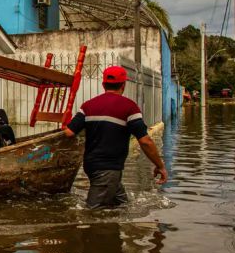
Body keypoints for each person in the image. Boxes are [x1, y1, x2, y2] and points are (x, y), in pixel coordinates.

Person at [63, 65, 168, 209]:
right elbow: (145, 141)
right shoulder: (129, 107)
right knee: (94, 213)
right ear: (124, 85)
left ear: (103, 85)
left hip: (91, 166)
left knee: (123, 206)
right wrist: (160, 165)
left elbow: (69, 132)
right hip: (108, 168)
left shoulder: (87, 106)